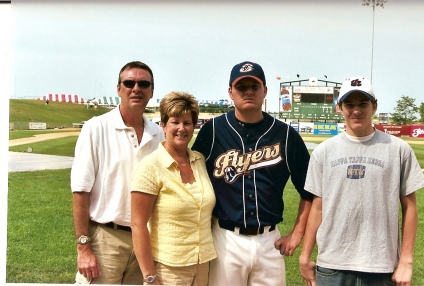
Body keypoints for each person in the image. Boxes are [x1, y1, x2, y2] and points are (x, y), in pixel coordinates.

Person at [192, 61, 313, 286]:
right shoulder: (213, 131)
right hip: (225, 239)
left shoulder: (285, 135)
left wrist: (297, 233)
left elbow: (310, 189)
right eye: (241, 86)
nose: (248, 91)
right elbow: (189, 179)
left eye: (254, 86)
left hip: (269, 241)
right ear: (230, 92)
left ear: (265, 91)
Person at [299, 76, 424, 286]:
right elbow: (317, 208)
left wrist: (406, 260)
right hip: (332, 266)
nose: (356, 110)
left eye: (363, 104)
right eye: (349, 104)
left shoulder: (398, 149)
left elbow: (410, 207)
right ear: (339, 107)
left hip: (381, 267)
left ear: (374, 106)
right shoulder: (324, 152)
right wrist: (305, 256)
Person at [71, 61, 165, 284]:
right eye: (129, 83)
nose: (136, 88)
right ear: (118, 88)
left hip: (146, 240)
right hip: (106, 238)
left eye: (143, 84)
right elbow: (80, 190)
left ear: (152, 91)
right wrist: (83, 247)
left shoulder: (158, 135)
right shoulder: (96, 128)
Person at [130, 91, 216, 285]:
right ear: (163, 125)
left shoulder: (199, 161)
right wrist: (149, 276)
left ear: (194, 126)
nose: (181, 128)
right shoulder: (151, 166)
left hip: (203, 264)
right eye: (175, 122)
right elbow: (138, 224)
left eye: (187, 123)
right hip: (168, 270)